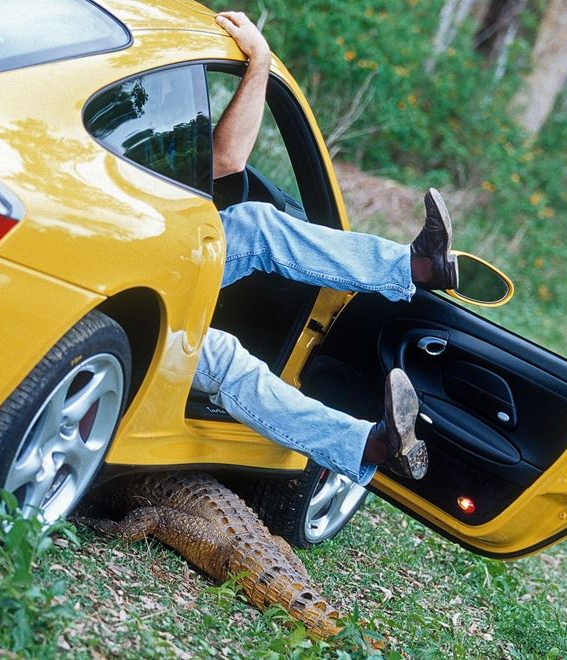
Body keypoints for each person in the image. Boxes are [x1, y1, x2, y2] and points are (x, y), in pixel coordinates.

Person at [192, 11, 459, 484]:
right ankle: (370, 444)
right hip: (122, 275)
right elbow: (227, 161)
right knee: (225, 361)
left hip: (158, 248)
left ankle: (416, 266)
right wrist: (259, 63)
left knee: (256, 224)